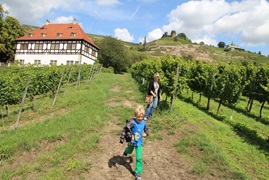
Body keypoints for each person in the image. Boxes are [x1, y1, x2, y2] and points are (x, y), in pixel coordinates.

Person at [119, 105, 149, 180]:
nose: (140, 119)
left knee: (139, 158)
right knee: (129, 150)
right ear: (135, 115)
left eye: (141, 117)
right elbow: (124, 130)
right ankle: (125, 152)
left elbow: (146, 130)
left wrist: (146, 134)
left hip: (139, 143)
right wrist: (121, 140)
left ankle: (138, 173)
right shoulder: (132, 122)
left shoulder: (144, 123)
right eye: (138, 117)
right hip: (131, 142)